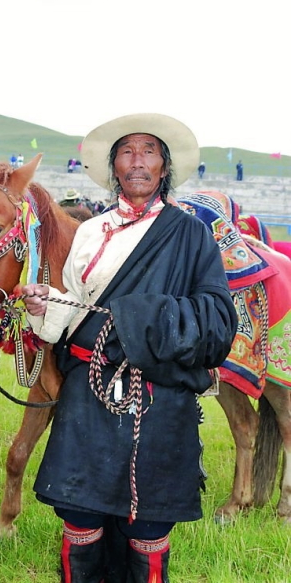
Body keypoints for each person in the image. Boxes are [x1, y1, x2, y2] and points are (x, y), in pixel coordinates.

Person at [17, 113, 238, 581]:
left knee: (150, 525)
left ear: (164, 165)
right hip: (87, 397)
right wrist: (43, 308)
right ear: (114, 165)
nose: (137, 162)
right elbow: (72, 314)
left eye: (149, 151)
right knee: (80, 517)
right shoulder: (90, 233)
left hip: (158, 399)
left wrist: (141, 315)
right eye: (127, 152)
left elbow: (219, 325)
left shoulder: (191, 234)